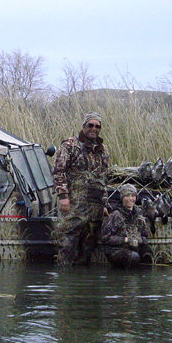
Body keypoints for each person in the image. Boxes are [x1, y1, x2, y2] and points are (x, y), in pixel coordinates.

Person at [53, 112, 110, 265]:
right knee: (68, 239)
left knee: (89, 242)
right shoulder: (70, 145)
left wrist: (104, 203)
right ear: (84, 126)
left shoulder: (103, 150)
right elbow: (59, 171)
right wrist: (63, 196)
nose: (94, 128)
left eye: (97, 126)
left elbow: (104, 177)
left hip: (95, 205)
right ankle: (64, 277)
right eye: (90, 125)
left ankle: (81, 281)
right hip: (74, 203)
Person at [100, 184, 150, 268]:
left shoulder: (139, 216)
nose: (130, 199)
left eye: (133, 196)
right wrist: (125, 240)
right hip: (116, 250)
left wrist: (139, 239)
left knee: (148, 254)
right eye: (127, 196)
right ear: (122, 198)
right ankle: (127, 278)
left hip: (134, 248)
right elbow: (105, 238)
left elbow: (145, 236)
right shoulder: (115, 215)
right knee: (134, 257)